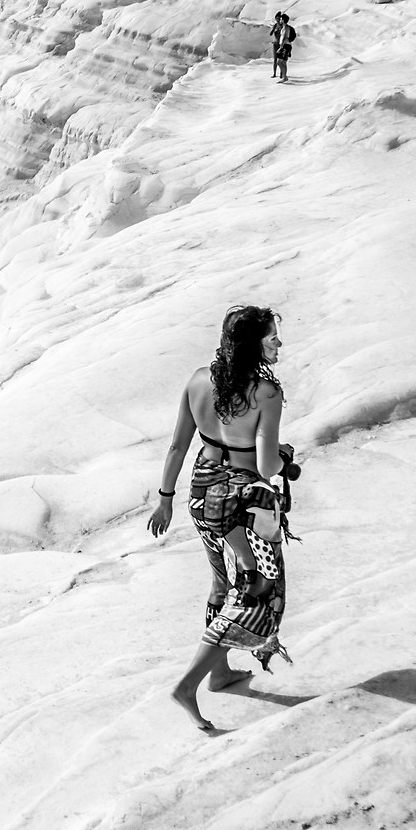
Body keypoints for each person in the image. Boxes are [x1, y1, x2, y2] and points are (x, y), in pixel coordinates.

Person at [148, 305, 293, 734]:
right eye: (272, 337)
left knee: (221, 584)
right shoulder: (266, 393)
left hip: (202, 494)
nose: (279, 343)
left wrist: (165, 500)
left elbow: (178, 446)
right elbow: (265, 466)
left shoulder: (199, 380)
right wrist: (284, 455)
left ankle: (220, 673)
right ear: (253, 345)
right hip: (244, 504)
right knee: (258, 594)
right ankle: (187, 685)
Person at [270, 11, 296, 82]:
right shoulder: (285, 27)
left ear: (283, 20)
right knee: (282, 61)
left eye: (280, 19)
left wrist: (281, 47)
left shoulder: (285, 28)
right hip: (285, 45)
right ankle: (284, 76)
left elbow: (284, 38)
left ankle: (284, 76)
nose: (279, 20)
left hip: (284, 46)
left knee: (280, 62)